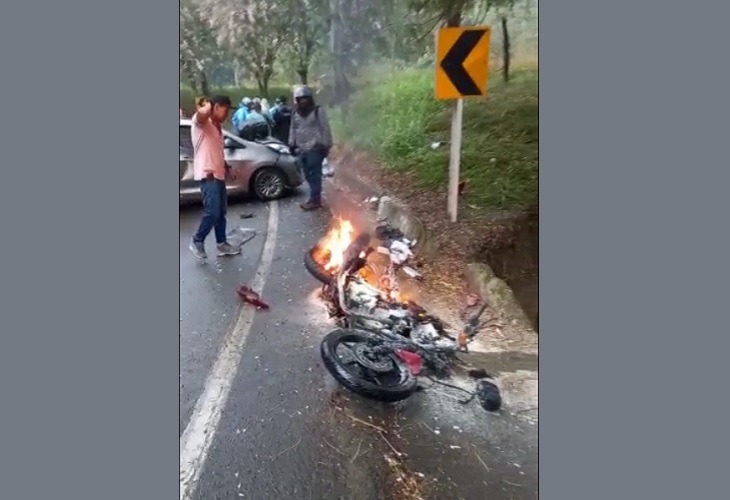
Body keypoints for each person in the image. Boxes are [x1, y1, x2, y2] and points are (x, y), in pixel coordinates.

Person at [188, 95, 241, 259]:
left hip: (218, 175)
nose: (227, 114)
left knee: (221, 212)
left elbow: (217, 152)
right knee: (212, 212)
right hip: (207, 174)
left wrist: (227, 167)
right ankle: (197, 240)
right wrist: (208, 105)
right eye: (225, 109)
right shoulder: (202, 124)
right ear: (216, 107)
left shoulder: (218, 128)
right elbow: (201, 115)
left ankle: (221, 244)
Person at [289, 85, 333, 211]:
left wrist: (326, 145)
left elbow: (325, 128)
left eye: (305, 98)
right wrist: (291, 143)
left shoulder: (318, 111)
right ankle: (313, 198)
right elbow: (293, 128)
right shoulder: (295, 112)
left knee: (314, 175)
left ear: (310, 98)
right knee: (307, 175)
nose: (302, 101)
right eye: (300, 99)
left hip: (315, 147)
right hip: (302, 149)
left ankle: (315, 200)